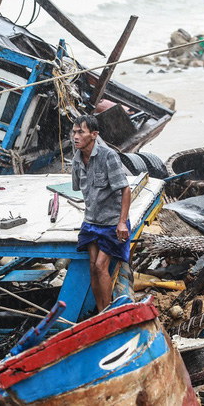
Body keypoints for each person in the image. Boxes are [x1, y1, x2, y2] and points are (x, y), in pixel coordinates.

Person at [71, 115, 131, 312]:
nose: (75, 136)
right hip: (91, 222)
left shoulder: (108, 156)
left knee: (100, 266)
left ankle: (108, 312)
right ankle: (100, 310)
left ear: (94, 135)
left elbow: (125, 189)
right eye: (74, 132)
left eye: (81, 132)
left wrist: (122, 223)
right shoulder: (77, 159)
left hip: (112, 223)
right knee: (91, 267)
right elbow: (76, 188)